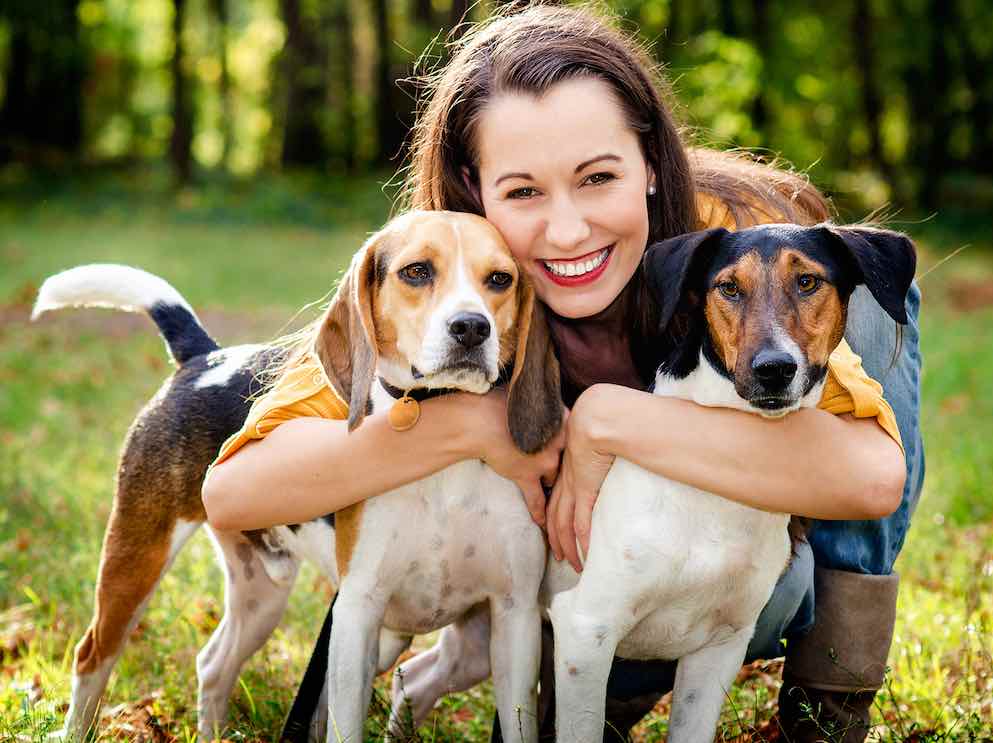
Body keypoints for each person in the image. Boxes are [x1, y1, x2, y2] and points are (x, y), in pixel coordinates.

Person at [202, 4, 923, 741]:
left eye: (598, 177)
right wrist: (472, 423)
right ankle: (600, 688)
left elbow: (870, 477)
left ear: (648, 164)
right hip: (587, 584)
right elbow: (233, 493)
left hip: (727, 572)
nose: (569, 228)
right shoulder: (447, 283)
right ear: (469, 188)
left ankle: (831, 688)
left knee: (871, 311)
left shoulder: (725, 251)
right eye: (522, 192)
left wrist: (607, 422)